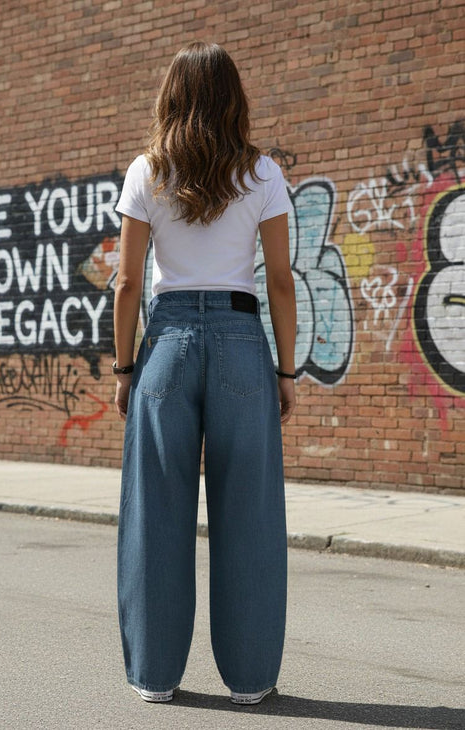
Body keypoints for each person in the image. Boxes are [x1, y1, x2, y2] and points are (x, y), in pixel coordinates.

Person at [113, 41, 297, 705]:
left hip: (166, 345)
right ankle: (250, 681)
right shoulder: (263, 172)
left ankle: (155, 677)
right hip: (243, 342)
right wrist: (286, 370)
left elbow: (128, 283)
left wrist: (124, 367)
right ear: (232, 97)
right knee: (250, 515)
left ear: (172, 94)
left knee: (155, 515)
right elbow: (280, 281)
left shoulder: (147, 172)